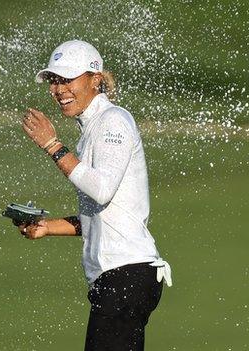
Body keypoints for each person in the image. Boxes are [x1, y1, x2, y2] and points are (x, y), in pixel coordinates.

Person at [18, 40, 172, 350]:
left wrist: (52, 145)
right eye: (53, 80)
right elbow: (102, 215)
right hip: (120, 279)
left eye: (66, 79)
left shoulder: (113, 120)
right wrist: (48, 227)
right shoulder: (93, 129)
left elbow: (100, 190)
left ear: (95, 79)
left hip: (126, 276)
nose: (58, 89)